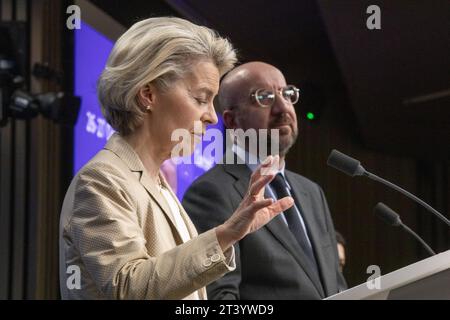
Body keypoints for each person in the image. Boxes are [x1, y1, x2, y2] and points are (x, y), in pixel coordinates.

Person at [59, 18, 294, 300]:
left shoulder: (160, 186)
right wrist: (225, 235)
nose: (212, 116)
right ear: (148, 94)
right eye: (201, 98)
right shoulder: (101, 179)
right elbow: (127, 288)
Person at [183, 61, 347, 299]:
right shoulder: (211, 192)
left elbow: (338, 287)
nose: (283, 108)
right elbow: (220, 298)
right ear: (231, 121)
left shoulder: (312, 192)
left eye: (287, 94)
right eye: (264, 97)